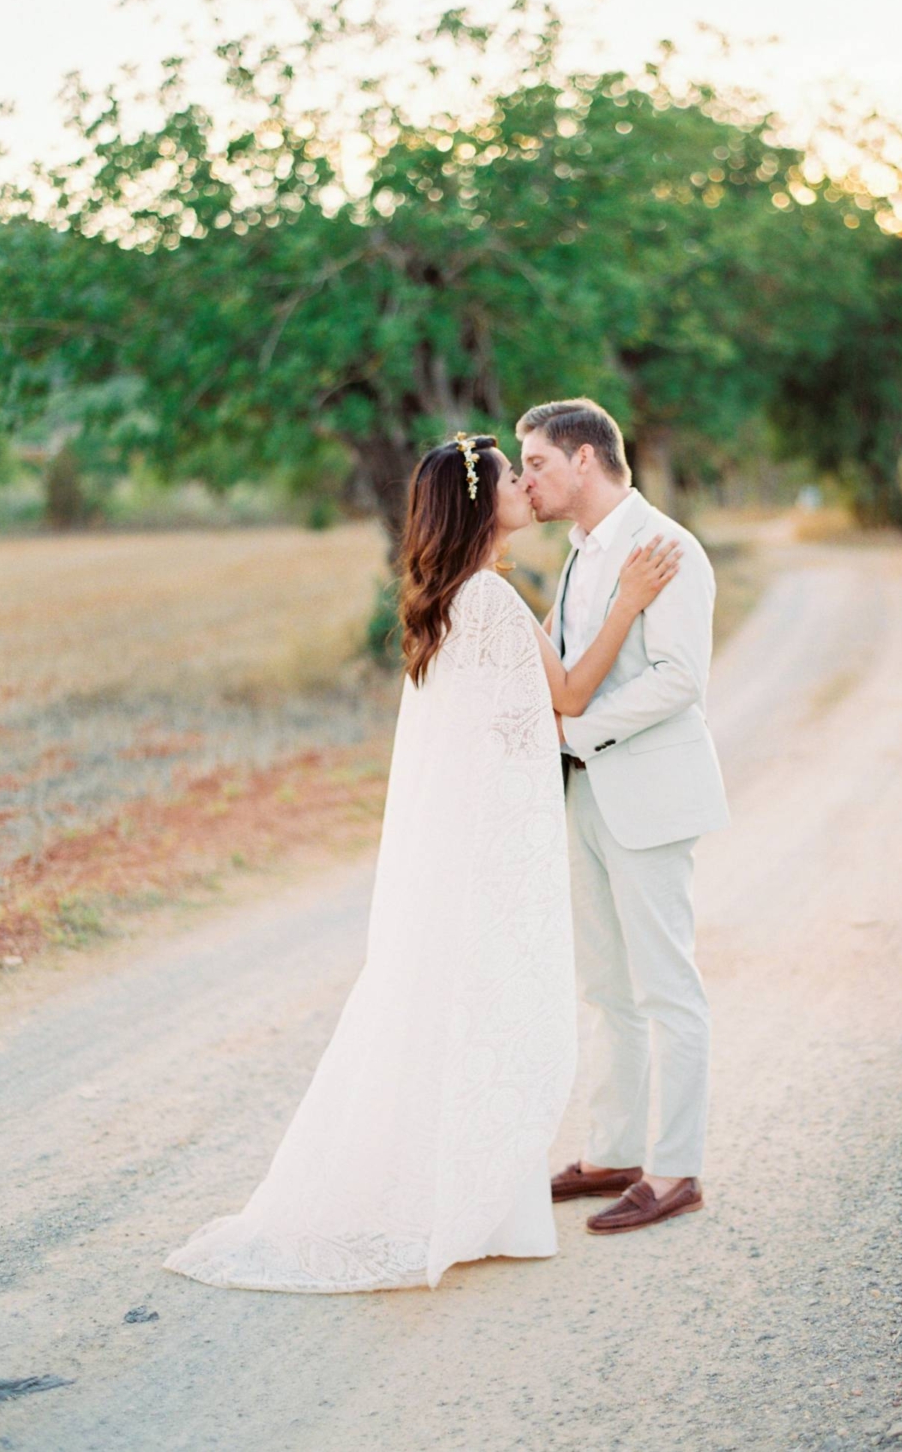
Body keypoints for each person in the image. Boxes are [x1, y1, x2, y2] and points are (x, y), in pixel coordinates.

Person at [162, 433, 680, 1292]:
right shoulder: (490, 604)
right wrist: (626, 602)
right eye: (513, 477)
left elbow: (525, 678)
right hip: (497, 851)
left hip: (470, 844)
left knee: (463, 1008)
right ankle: (470, 1198)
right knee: (499, 1008)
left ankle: (461, 1190)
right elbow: (571, 694)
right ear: (483, 503)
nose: (526, 485)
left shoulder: (459, 600)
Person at [517, 399, 730, 1235]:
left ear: (583, 458)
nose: (526, 478)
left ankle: (677, 1168)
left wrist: (574, 730)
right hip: (586, 795)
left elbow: (680, 678)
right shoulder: (577, 554)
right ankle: (613, 1151)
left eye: (535, 461)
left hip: (647, 792)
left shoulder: (668, 546)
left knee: (667, 984)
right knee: (608, 986)